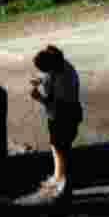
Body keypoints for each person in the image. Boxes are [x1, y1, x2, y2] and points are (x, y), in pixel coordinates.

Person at [29, 45, 83, 199]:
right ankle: (57, 176)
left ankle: (64, 184)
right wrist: (39, 79)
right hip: (56, 116)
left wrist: (39, 98)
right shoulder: (58, 65)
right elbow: (47, 75)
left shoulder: (65, 79)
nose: (44, 72)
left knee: (63, 150)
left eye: (45, 69)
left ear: (52, 65)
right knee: (56, 146)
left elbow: (57, 105)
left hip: (65, 117)